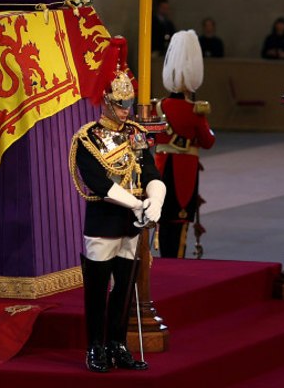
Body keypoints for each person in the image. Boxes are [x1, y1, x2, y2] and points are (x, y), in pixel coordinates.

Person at [69, 37, 165, 373]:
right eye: (122, 104)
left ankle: (117, 343)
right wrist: (137, 205)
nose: (128, 109)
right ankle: (95, 346)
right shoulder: (88, 138)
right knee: (98, 288)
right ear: (107, 102)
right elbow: (100, 184)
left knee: (125, 287)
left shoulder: (136, 133)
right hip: (105, 221)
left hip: (131, 224)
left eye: (129, 103)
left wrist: (156, 199)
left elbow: (151, 171)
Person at [155, 31, 215, 259]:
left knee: (162, 218)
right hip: (184, 172)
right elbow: (208, 141)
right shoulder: (195, 111)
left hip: (161, 168)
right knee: (179, 223)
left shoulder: (157, 107)